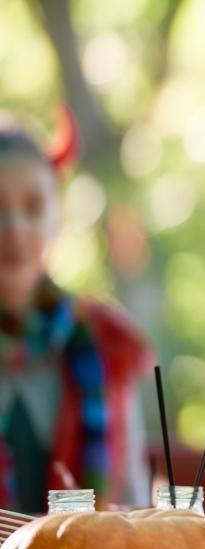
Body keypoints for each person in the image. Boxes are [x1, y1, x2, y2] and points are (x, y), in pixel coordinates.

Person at [0, 111, 152, 512]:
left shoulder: (107, 343)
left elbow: (133, 499)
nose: (14, 228)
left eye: (32, 208)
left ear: (56, 217)